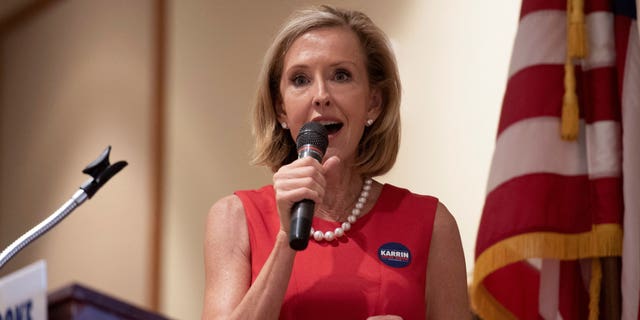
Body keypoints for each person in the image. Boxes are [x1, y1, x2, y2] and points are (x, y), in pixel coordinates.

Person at [202, 5, 470, 320]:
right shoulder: (234, 218)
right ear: (281, 110)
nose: (321, 95)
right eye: (300, 79)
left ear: (373, 102)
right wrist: (286, 239)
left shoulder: (433, 224)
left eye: (341, 75)